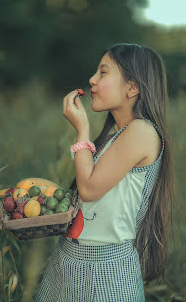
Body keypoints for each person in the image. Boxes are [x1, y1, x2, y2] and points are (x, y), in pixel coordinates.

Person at [34, 43, 176, 301]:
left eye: (103, 73)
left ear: (132, 88)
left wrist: (82, 131)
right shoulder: (114, 137)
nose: (92, 79)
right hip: (69, 263)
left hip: (107, 274)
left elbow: (88, 189)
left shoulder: (142, 131)